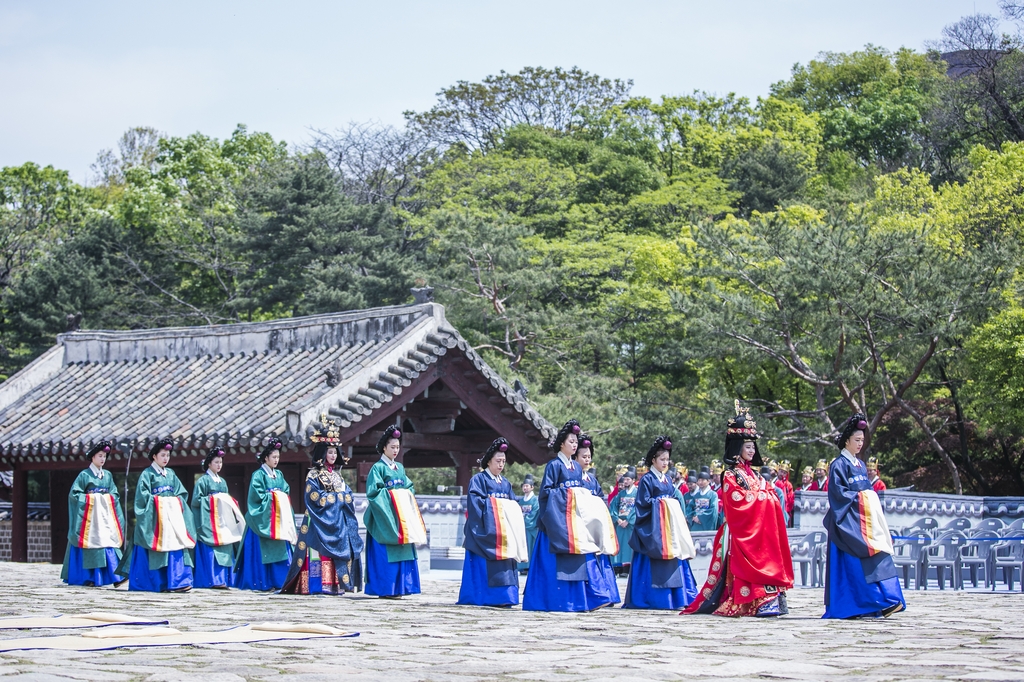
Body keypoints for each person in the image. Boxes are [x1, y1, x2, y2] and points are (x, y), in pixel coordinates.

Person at [684, 404, 794, 617]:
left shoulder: (756, 475)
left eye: (753, 447)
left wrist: (764, 497)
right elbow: (737, 501)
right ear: (737, 449)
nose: (752, 451)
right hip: (740, 531)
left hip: (760, 529)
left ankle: (772, 597)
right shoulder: (731, 475)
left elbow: (771, 495)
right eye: (747, 447)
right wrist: (762, 497)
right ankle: (754, 599)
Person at [523, 419, 620, 612]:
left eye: (576, 442)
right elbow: (545, 493)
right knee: (554, 565)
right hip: (556, 523)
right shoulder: (553, 465)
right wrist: (567, 494)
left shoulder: (576, 468)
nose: (575, 445)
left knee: (582, 560)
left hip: (574, 524)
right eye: (571, 441)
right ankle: (553, 600)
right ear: (561, 444)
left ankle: (583, 599)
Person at [822, 414, 905, 619]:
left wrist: (867, 500)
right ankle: (859, 605)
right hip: (847, 524)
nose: (860, 444)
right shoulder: (838, 465)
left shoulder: (859, 464)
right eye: (856, 440)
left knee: (878, 555)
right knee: (855, 565)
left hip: (862, 522)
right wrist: (862, 498)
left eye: (862, 441)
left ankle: (884, 600)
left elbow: (867, 491)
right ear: (846, 441)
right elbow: (837, 495)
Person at [282, 416, 364, 595]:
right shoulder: (314, 475)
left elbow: (348, 495)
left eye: (335, 452)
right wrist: (338, 498)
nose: (333, 456)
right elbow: (313, 497)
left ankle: (337, 584)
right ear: (322, 453)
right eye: (330, 452)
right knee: (322, 551)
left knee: (341, 548)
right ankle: (320, 583)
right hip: (319, 519)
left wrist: (342, 496)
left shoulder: (337, 476)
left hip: (337, 520)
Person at [624, 436, 698, 609]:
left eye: (667, 460)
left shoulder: (667, 480)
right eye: (662, 460)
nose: (665, 463)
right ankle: (653, 598)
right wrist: (662, 504)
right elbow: (642, 504)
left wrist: (669, 505)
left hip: (668, 528)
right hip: (653, 529)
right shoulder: (647, 479)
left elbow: (673, 498)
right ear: (653, 460)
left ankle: (678, 597)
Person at [458, 438, 527, 607]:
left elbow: (513, 506)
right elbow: (475, 507)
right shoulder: (478, 480)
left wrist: (504, 507)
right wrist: (496, 507)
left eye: (503, 461)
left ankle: (506, 597)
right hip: (483, 532)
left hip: (503, 534)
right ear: (489, 461)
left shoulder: (505, 484)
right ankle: (483, 597)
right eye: (498, 461)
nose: (501, 464)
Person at [122, 437, 196, 592]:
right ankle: (158, 582)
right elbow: (142, 498)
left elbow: (181, 493)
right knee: (156, 547)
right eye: (163, 455)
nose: (166, 458)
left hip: (171, 519)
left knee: (176, 545)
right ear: (154, 456)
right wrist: (159, 502)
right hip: (155, 520)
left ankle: (179, 581)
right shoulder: (147, 474)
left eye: (168, 455)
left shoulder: (171, 474)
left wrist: (174, 501)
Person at [363, 426, 426, 598]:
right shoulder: (378, 468)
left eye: (398, 447)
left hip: (401, 517)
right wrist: (394, 495)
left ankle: (401, 588)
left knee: (403, 548)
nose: (396, 451)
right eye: (392, 447)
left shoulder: (399, 467)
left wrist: (404, 495)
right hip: (385, 517)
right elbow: (374, 492)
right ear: (384, 448)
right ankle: (386, 589)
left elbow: (409, 487)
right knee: (385, 552)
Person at [61, 440, 126, 587]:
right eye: (100, 456)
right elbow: (74, 494)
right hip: (89, 518)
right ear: (92, 457)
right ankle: (89, 577)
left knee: (109, 540)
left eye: (105, 456)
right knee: (91, 543)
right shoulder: (84, 475)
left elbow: (114, 493)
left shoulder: (108, 475)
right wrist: (91, 499)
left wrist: (106, 498)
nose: (103, 459)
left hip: (103, 516)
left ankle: (117, 576)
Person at [235, 438, 296, 591]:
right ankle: (262, 582)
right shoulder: (258, 475)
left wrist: (279, 496)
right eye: (273, 457)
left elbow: (286, 491)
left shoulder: (279, 474)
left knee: (280, 549)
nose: (276, 460)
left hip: (278, 521)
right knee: (262, 552)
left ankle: (281, 581)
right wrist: (275, 497)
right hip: (262, 521)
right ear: (266, 458)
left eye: (278, 457)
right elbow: (256, 498)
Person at [191, 447, 244, 589]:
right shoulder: (203, 481)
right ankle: (211, 580)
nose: (219, 465)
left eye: (220, 462)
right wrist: (213, 499)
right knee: (211, 549)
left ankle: (226, 579)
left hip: (222, 520)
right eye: (216, 462)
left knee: (226, 546)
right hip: (209, 522)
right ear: (209, 464)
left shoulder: (223, 482)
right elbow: (196, 501)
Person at [576, 433, 620, 601]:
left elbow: (601, 498)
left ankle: (607, 592)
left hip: (596, 525)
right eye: (584, 456)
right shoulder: (575, 478)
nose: (587, 460)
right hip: (583, 525)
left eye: (589, 457)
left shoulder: (592, 479)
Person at [609, 466, 637, 575]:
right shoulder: (620, 494)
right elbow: (613, 507)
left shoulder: (637, 493)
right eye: (624, 479)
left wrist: (629, 520)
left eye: (628, 479)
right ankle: (619, 567)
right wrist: (618, 519)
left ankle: (629, 568)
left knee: (629, 546)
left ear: (633, 481)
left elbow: (637, 508)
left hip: (631, 524)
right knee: (620, 545)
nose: (625, 482)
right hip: (621, 524)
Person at [517, 474, 540, 574]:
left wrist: (526, 521)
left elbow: (534, 513)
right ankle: (522, 566)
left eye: (527, 486)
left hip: (531, 527)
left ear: (532, 487)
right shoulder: (521, 501)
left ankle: (530, 566)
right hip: (522, 528)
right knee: (522, 546)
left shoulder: (535, 500)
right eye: (524, 486)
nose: (525, 488)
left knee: (531, 546)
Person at [777, 460, 796, 526]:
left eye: (784, 473)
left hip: (784, 508)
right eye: (781, 471)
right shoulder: (773, 481)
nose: (782, 474)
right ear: (778, 470)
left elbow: (790, 500)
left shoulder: (788, 485)